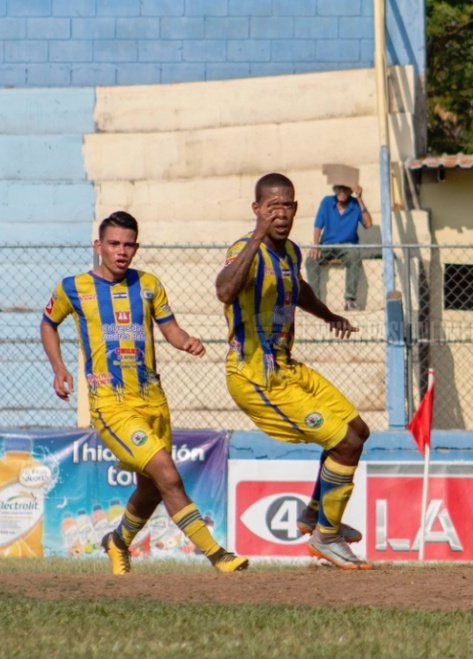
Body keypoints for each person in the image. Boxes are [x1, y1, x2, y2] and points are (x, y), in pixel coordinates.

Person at [40, 211, 248, 575]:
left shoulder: (149, 284)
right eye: (114, 244)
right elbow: (48, 324)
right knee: (168, 474)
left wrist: (188, 343)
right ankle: (218, 555)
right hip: (111, 404)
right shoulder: (73, 288)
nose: (122, 252)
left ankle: (117, 542)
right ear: (98, 246)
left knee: (152, 489)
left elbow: (171, 330)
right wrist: (59, 368)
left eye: (129, 244)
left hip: (153, 399)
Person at [216, 172, 372, 571]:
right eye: (272, 207)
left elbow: (298, 288)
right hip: (256, 377)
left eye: (287, 206)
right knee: (344, 445)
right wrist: (256, 236)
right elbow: (224, 290)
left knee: (358, 431)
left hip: (287, 368)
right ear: (257, 210)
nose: (280, 214)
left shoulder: (291, 253)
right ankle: (326, 534)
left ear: (296, 208)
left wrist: (329, 315)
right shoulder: (245, 250)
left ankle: (313, 515)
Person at [305, 182, 373, 311]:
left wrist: (360, 198)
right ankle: (315, 302)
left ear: (351, 190)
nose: (342, 191)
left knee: (354, 255)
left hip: (348, 246)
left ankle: (350, 300)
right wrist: (316, 245)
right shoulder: (327, 202)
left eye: (346, 188)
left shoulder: (355, 204)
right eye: (339, 188)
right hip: (327, 245)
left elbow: (368, 224)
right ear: (335, 189)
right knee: (311, 260)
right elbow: (318, 225)